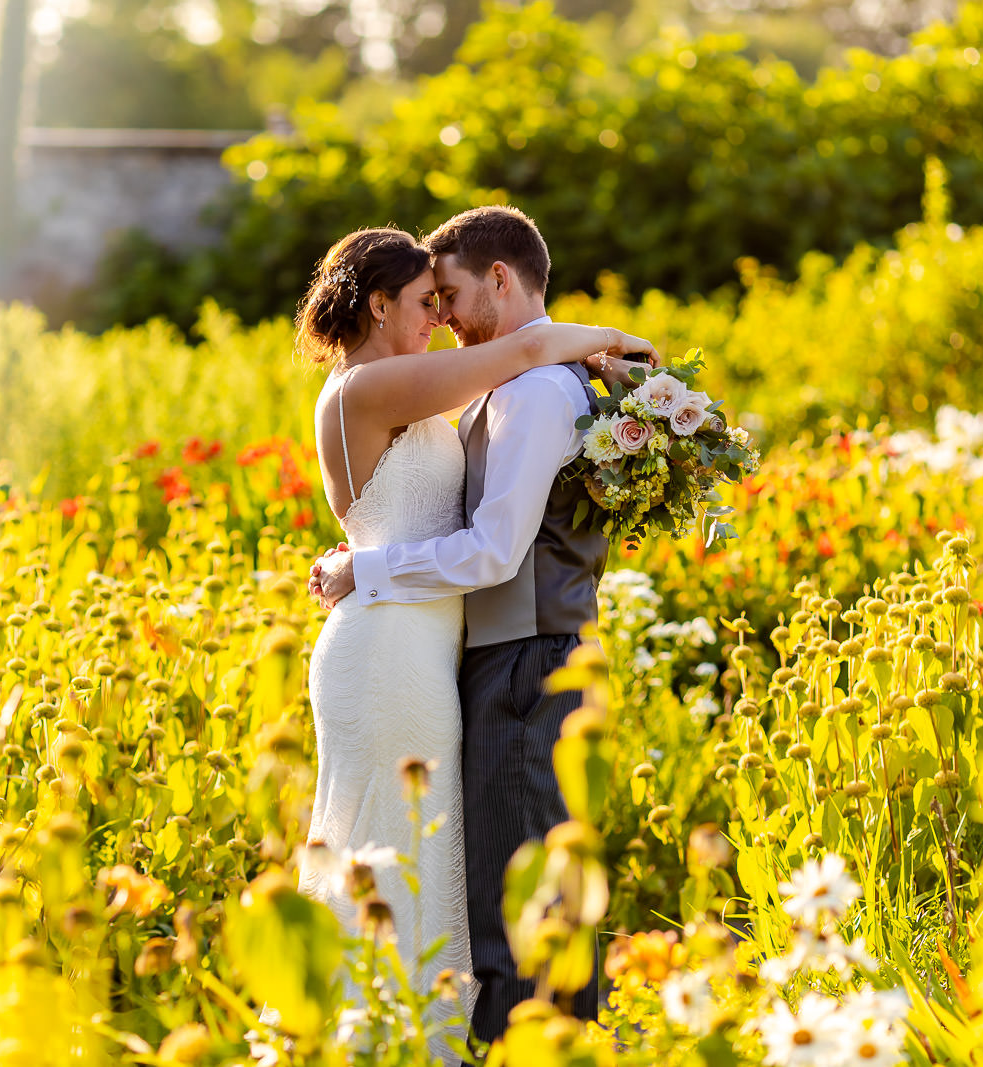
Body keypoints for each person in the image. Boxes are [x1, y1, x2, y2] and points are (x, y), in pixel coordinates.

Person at [296, 223, 655, 1056]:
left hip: (426, 647)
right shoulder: (365, 390)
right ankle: (382, 1039)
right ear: (379, 303)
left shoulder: (412, 389)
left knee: (429, 849)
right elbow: (521, 351)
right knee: (392, 845)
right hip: (386, 651)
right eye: (426, 303)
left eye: (444, 299)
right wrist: (615, 342)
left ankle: (416, 1034)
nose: (439, 320)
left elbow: (521, 370)